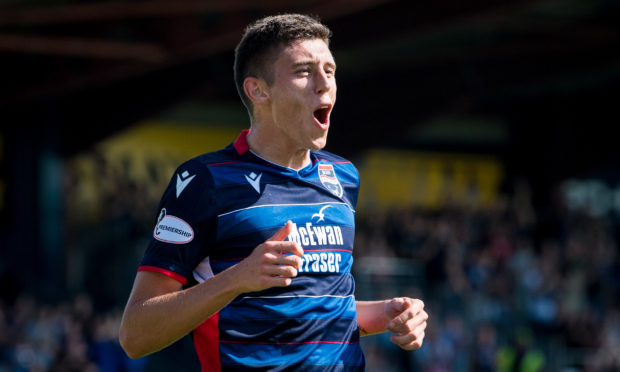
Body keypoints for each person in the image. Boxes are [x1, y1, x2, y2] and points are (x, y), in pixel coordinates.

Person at [119, 13, 428, 371]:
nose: (323, 83)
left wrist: (386, 314)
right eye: (303, 71)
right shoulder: (204, 179)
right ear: (258, 90)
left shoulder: (343, 176)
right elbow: (135, 334)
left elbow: (314, 308)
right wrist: (237, 278)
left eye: (330, 70)